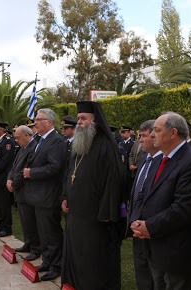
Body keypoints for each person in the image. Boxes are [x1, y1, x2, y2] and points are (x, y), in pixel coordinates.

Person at [130, 112, 191, 290]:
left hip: (179, 253)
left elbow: (184, 209)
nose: (152, 134)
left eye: (156, 130)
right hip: (156, 247)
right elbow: (149, 195)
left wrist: (149, 226)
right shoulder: (161, 158)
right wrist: (140, 223)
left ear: (173, 133)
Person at [61, 101, 124, 289]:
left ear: (95, 122)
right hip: (75, 213)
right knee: (75, 253)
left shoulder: (107, 145)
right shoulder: (80, 145)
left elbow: (114, 182)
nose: (79, 122)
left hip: (95, 217)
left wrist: (107, 212)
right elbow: (69, 173)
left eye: (83, 119)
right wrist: (65, 196)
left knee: (92, 259)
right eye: (78, 118)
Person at [23, 108, 66, 281]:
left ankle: (56, 265)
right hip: (38, 195)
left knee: (52, 232)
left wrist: (32, 172)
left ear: (49, 122)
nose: (35, 123)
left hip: (49, 195)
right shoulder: (40, 140)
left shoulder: (56, 141)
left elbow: (55, 167)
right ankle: (47, 261)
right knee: (43, 231)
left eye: (39, 119)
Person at [126, 120, 161, 290]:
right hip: (137, 227)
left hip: (152, 230)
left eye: (144, 136)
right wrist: (133, 220)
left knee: (156, 276)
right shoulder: (145, 159)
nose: (140, 140)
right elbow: (136, 194)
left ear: (156, 137)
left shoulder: (163, 163)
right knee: (141, 272)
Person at [7, 125, 40, 261]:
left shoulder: (34, 147)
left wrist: (14, 184)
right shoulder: (22, 148)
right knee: (24, 220)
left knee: (31, 221)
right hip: (19, 191)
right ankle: (28, 243)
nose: (16, 140)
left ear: (27, 135)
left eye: (18, 137)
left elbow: (26, 169)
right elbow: (14, 167)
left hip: (27, 190)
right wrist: (9, 178)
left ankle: (36, 248)